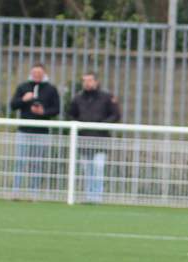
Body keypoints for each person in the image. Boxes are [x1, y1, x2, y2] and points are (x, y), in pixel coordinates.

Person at [65, 71, 121, 203]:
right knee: (87, 169)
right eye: (85, 81)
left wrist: (103, 125)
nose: (87, 83)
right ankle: (89, 197)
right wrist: (78, 125)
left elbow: (115, 115)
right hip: (84, 138)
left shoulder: (106, 97)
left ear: (96, 82)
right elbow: (70, 115)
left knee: (98, 167)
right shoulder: (77, 98)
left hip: (100, 138)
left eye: (90, 80)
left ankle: (97, 197)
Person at [8, 63, 59, 196]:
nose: (37, 75)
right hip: (23, 131)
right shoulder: (23, 87)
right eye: (34, 72)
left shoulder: (51, 89)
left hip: (41, 132)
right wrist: (24, 99)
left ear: (44, 73)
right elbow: (13, 105)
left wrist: (43, 112)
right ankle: (16, 191)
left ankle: (34, 192)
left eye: (39, 72)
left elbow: (56, 109)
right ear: (31, 73)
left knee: (37, 163)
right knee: (20, 161)